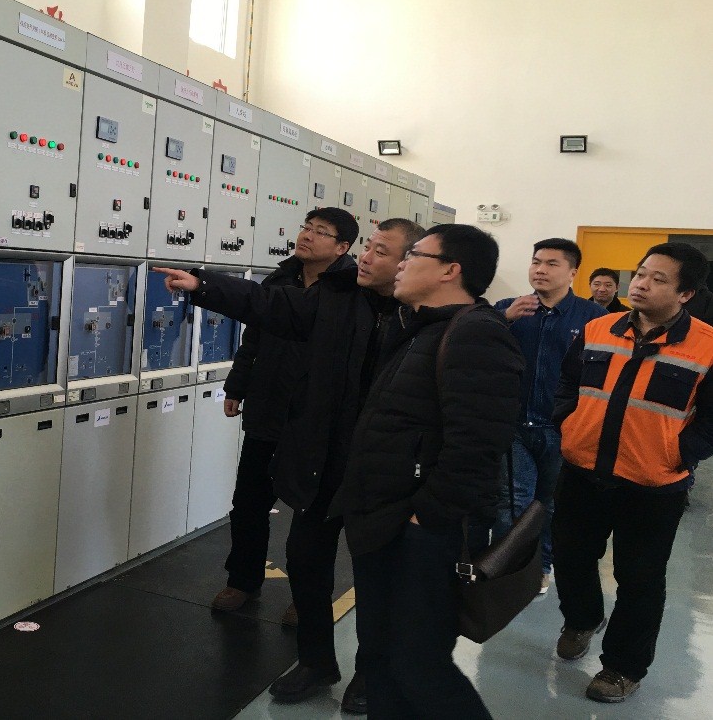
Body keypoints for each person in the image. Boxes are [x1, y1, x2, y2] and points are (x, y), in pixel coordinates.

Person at [156, 217, 426, 712]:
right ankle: (315, 661)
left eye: (380, 251)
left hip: (383, 469)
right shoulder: (336, 297)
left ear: (411, 263)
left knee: (379, 574)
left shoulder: (430, 320)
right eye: (367, 247)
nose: (366, 257)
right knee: (306, 560)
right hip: (323, 457)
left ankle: (374, 673)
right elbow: (269, 307)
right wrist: (202, 284)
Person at [331, 224, 524, 719]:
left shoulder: (476, 334)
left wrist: (426, 518)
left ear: (449, 270)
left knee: (419, 665)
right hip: (384, 520)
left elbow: (477, 445)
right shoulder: (422, 327)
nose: (401, 264)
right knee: (382, 658)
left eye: (414, 254)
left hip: (422, 532)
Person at [551, 242, 713, 703]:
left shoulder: (707, 345)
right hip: (582, 470)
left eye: (658, 279)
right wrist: (567, 422)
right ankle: (583, 619)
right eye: (640, 273)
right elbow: (568, 382)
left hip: (652, 484)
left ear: (685, 294)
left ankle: (623, 667)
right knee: (570, 557)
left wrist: (680, 453)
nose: (641, 283)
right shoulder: (597, 328)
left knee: (639, 578)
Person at [210, 209, 354, 616]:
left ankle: (307, 597)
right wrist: (237, 386)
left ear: (342, 247)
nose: (307, 235)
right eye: (306, 227)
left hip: (315, 421)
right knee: (248, 504)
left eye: (320, 232)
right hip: (268, 409)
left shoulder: (350, 291)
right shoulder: (279, 280)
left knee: (312, 517)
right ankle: (242, 580)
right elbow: (253, 340)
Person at [494, 240, 606, 593]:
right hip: (513, 425)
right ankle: (510, 572)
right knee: (513, 501)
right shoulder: (507, 308)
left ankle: (541, 567)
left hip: (563, 428)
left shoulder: (593, 318)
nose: (540, 269)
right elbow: (478, 346)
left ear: (573, 273)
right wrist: (503, 320)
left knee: (550, 503)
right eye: (536, 261)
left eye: (551, 263)